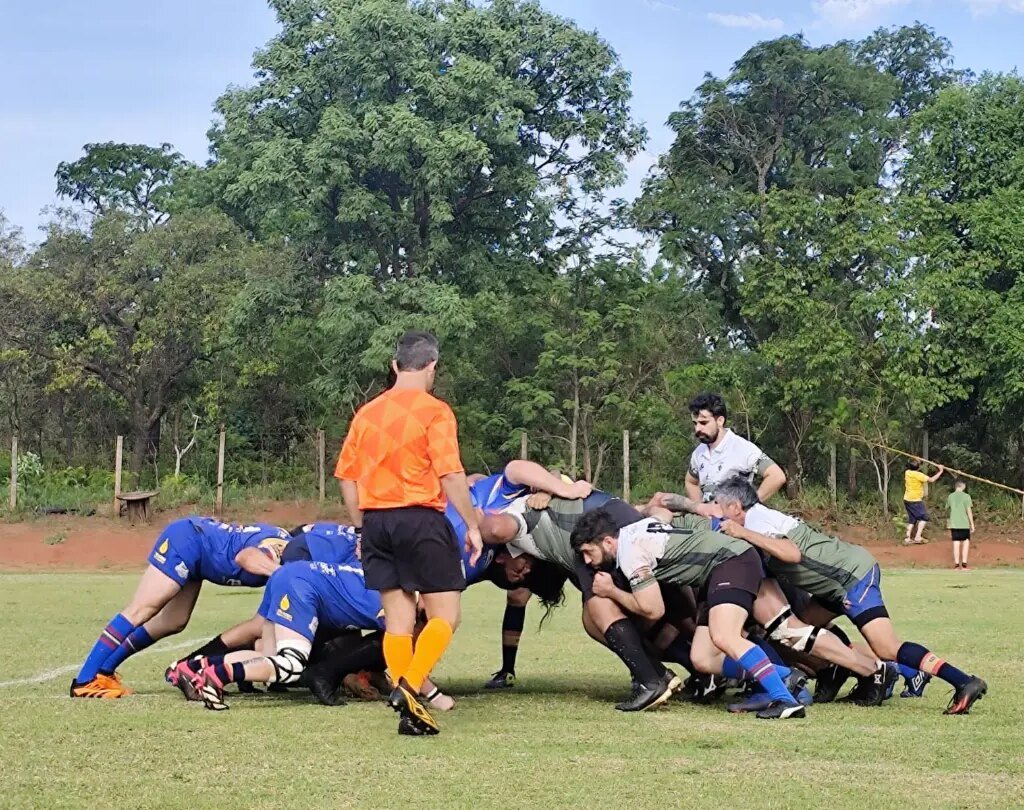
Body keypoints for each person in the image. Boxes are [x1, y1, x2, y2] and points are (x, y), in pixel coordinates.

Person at [713, 476, 987, 715]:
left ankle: (960, 680)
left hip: (851, 577)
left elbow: (792, 553)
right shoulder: (757, 517)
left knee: (886, 647)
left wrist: (742, 532)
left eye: (721, 508)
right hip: (833, 583)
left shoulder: (756, 520)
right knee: (797, 632)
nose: (718, 515)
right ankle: (840, 670)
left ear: (736, 507)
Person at [335, 330, 481, 736]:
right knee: (445, 615)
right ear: (432, 366)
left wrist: (363, 526)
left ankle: (408, 709)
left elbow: (347, 480)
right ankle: (410, 687)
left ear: (395, 365)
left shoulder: (366, 413)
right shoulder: (435, 411)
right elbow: (450, 474)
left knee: (398, 622)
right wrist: (472, 524)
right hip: (420, 519)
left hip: (377, 521)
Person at [569, 508, 807, 720]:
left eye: (589, 552)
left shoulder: (631, 553)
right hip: (716, 571)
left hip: (732, 561)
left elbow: (653, 609)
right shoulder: (635, 528)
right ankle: (787, 676)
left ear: (609, 542)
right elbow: (662, 512)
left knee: (726, 636)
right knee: (703, 659)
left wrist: (611, 591)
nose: (588, 561)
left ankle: (784, 699)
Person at [480, 493, 681, 711]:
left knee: (599, 608)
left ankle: (650, 681)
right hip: (601, 523)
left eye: (518, 571)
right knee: (593, 619)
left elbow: (521, 474)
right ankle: (658, 674)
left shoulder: (513, 518)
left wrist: (548, 487)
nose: (525, 572)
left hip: (592, 529)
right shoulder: (526, 542)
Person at [70, 517, 290, 698]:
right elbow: (247, 557)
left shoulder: (296, 552)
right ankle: (84, 680)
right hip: (187, 541)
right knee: (142, 609)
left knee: (173, 621)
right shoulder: (284, 549)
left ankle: (104, 672)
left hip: (200, 555)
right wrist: (280, 572)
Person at [666, 392, 785, 516]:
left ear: (720, 421)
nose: (697, 429)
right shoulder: (699, 453)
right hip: (707, 522)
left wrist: (749, 507)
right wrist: (700, 508)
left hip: (733, 524)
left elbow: (776, 476)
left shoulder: (742, 448)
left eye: (703, 423)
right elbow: (691, 482)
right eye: (695, 424)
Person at [903, 460, 944, 545]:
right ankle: (918, 537)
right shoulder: (919, 475)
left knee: (912, 519)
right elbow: (932, 480)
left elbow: (912, 464)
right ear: (918, 468)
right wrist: (941, 471)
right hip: (915, 500)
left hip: (907, 499)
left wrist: (917, 460)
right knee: (924, 517)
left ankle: (907, 538)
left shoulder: (907, 472)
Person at [946, 480, 975, 570]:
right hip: (964, 523)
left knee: (956, 543)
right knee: (966, 542)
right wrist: (972, 524)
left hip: (954, 523)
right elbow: (969, 511)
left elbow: (947, 509)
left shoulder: (950, 496)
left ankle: (956, 565)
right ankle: (964, 565)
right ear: (963, 486)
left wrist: (948, 522)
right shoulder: (966, 496)